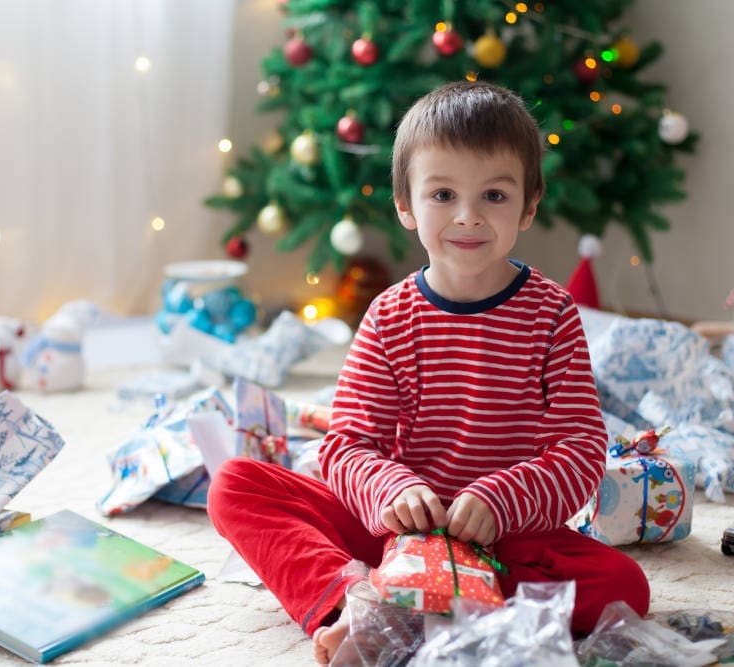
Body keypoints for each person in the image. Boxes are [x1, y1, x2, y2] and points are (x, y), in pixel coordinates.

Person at [207, 80, 650, 665]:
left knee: (626, 587)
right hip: (395, 533)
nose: (468, 217)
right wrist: (394, 489)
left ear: (530, 204)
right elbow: (348, 445)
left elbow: (579, 449)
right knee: (237, 484)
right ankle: (358, 609)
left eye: (494, 195)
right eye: (443, 194)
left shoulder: (552, 313)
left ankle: (441, 607)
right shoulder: (390, 315)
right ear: (406, 206)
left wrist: (501, 499)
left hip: (505, 537)